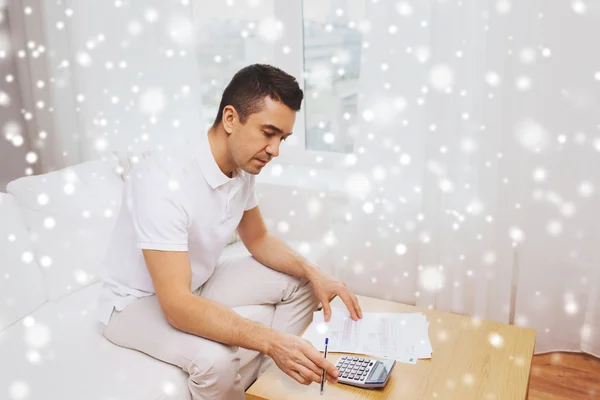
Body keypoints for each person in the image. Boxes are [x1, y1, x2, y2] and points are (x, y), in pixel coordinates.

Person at [96, 64, 363, 400]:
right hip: (132, 304)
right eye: (268, 133)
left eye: (282, 137)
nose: (276, 150)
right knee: (217, 362)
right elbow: (177, 305)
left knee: (303, 281)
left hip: (195, 283)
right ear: (230, 119)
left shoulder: (242, 166)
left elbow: (259, 240)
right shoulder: (163, 181)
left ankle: (266, 390)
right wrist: (270, 340)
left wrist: (316, 272)